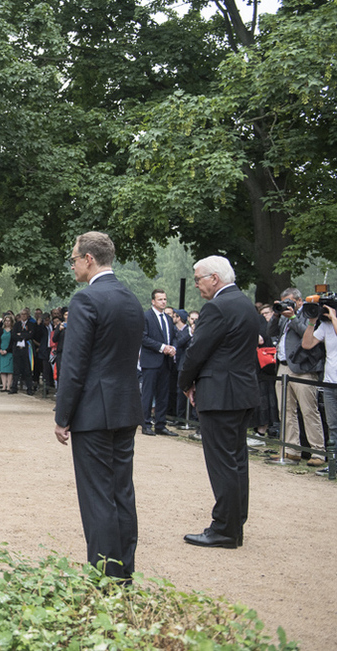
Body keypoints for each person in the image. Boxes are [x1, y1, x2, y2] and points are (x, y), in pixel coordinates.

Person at [54, 232, 143, 581]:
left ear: (89, 258)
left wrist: (63, 416)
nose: (72, 264)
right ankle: (125, 568)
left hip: (93, 411)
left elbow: (74, 364)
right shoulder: (131, 299)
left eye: (74, 258)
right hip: (124, 406)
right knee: (122, 490)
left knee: (97, 497)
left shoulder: (86, 300)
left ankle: (106, 573)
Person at [178, 256, 261, 549]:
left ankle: (225, 527)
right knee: (236, 460)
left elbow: (197, 350)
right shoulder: (244, 304)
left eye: (198, 278)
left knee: (222, 462)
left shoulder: (217, 307)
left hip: (220, 393)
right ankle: (234, 522)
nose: (197, 284)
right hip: (241, 391)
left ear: (214, 278)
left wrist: (185, 382)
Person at [267, 288, 326, 466]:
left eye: (290, 301)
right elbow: (270, 332)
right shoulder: (283, 315)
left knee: (309, 410)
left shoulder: (310, 313)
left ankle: (318, 452)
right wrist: (276, 315)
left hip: (303, 369)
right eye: (283, 302)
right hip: (283, 367)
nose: (286, 305)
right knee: (285, 410)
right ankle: (291, 450)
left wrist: (293, 317)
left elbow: (308, 336)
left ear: (299, 301)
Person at [301, 303, 337, 475]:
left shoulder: (333, 323)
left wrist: (334, 317)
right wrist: (312, 321)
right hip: (329, 382)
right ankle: (333, 464)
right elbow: (307, 344)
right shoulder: (326, 326)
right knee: (332, 425)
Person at [140, 289, 178, 436]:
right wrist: (162, 348)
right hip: (151, 361)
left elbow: (173, 336)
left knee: (163, 394)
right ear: (153, 301)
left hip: (166, 362)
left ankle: (161, 424)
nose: (163, 302)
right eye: (160, 299)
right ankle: (146, 423)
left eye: (165, 299)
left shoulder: (168, 319)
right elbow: (143, 338)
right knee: (148, 394)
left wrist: (173, 347)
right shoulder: (146, 317)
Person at [11, 308, 36, 395]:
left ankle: (29, 389)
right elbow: (13, 335)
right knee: (16, 370)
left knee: (27, 370)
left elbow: (31, 335)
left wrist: (20, 334)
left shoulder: (31, 324)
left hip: (26, 350)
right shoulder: (17, 325)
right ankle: (14, 387)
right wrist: (23, 335)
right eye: (22, 314)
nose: (23, 316)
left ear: (28, 315)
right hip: (17, 350)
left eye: (25, 314)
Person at [0, 314, 15, 391]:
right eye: (6, 321)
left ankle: (8, 386)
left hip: (9, 352)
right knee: (3, 370)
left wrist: (7, 350)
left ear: (11, 322)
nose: (7, 322)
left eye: (9, 321)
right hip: (1, 351)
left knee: (9, 370)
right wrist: (0, 349)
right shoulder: (0, 330)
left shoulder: (13, 331)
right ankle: (4, 386)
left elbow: (12, 342)